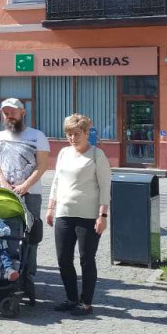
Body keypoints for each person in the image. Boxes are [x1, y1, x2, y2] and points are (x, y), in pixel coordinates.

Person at [48, 113, 111, 316]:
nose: (73, 138)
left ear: (86, 133)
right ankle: (71, 298)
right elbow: (56, 181)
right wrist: (51, 208)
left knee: (86, 259)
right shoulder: (64, 153)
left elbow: (105, 187)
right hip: (64, 212)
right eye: (69, 134)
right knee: (63, 258)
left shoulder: (96, 155)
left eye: (77, 134)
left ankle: (86, 302)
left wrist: (103, 216)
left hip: (88, 214)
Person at [0, 98, 50, 282]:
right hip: (4, 193)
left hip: (30, 193)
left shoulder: (37, 135)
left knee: (31, 233)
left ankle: (28, 273)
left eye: (13, 112)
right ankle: (4, 269)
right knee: (2, 231)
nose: (10, 116)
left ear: (22, 112)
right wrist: (3, 182)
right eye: (6, 112)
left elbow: (42, 165)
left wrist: (25, 186)